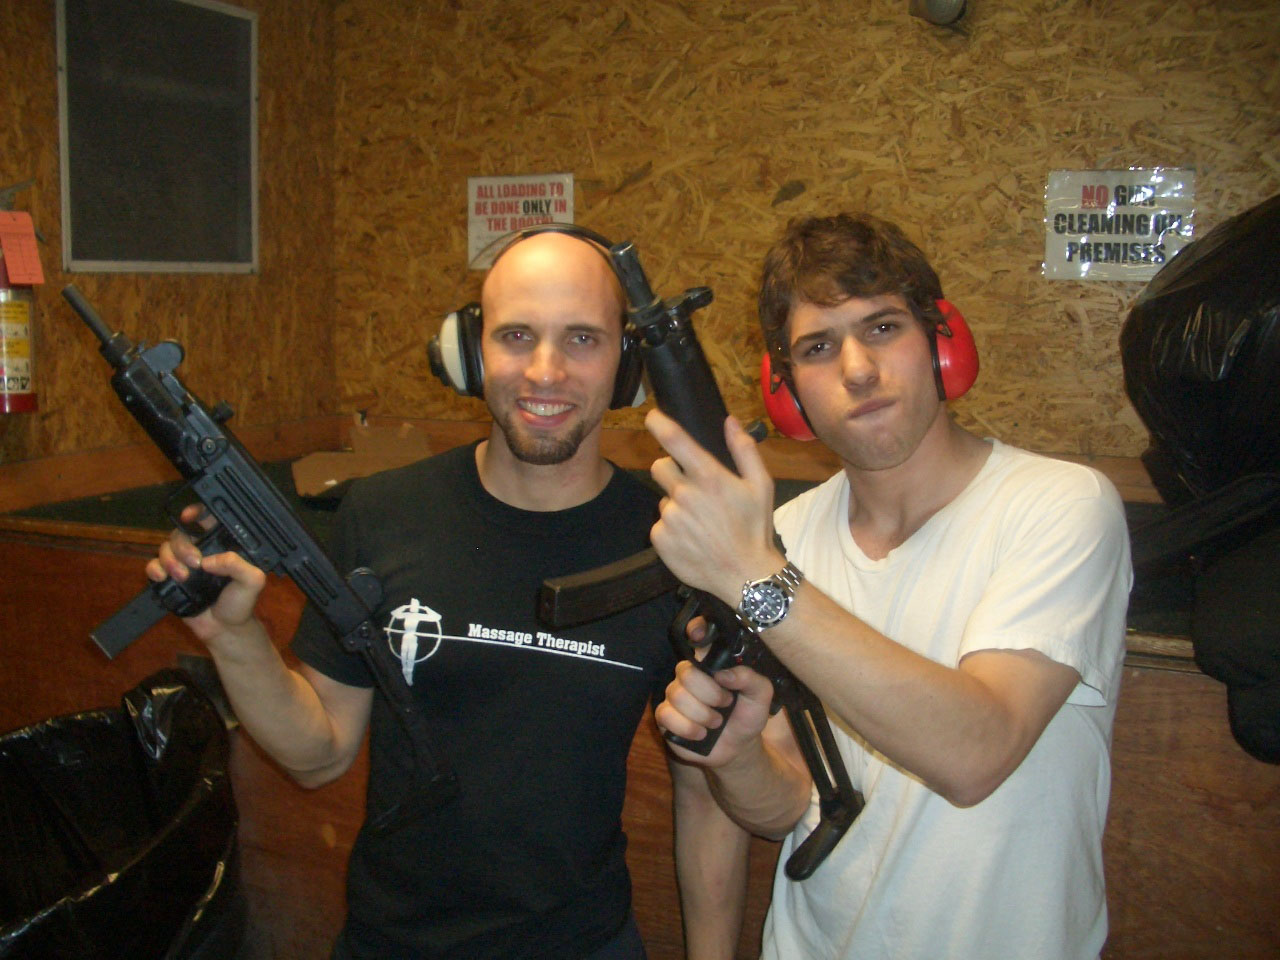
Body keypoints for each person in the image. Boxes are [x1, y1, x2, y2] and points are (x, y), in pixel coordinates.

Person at [148, 229, 747, 960]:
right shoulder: (383, 514)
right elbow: (320, 753)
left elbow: (706, 795)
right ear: (471, 354)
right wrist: (232, 637)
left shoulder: (672, 540)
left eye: (583, 339)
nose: (546, 371)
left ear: (628, 365)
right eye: (517, 335)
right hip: (392, 944)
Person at [645, 212, 1132, 960]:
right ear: (786, 393)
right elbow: (791, 810)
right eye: (818, 347)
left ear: (943, 343)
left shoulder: (1060, 506)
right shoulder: (789, 537)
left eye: (881, 329)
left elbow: (978, 751)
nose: (858, 370)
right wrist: (736, 756)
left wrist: (751, 576)